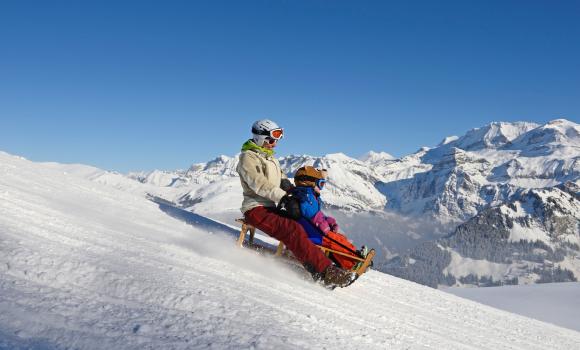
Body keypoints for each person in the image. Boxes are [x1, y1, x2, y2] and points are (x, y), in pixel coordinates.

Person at [236, 119, 356, 288]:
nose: (274, 143)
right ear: (259, 137)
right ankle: (325, 273)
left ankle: (329, 261)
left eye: (277, 139)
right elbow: (259, 184)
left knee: (302, 223)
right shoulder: (248, 158)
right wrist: (284, 198)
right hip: (255, 209)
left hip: (271, 207)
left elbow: (281, 178)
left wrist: (292, 190)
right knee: (291, 229)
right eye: (271, 139)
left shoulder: (270, 158)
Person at [279, 166, 366, 270]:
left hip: (316, 230)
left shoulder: (307, 194)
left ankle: (350, 259)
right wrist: (325, 228)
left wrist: (329, 221)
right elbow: (312, 216)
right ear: (309, 182)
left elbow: (317, 214)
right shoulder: (306, 196)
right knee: (337, 242)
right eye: (320, 184)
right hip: (315, 233)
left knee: (340, 239)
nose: (320, 188)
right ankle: (354, 262)